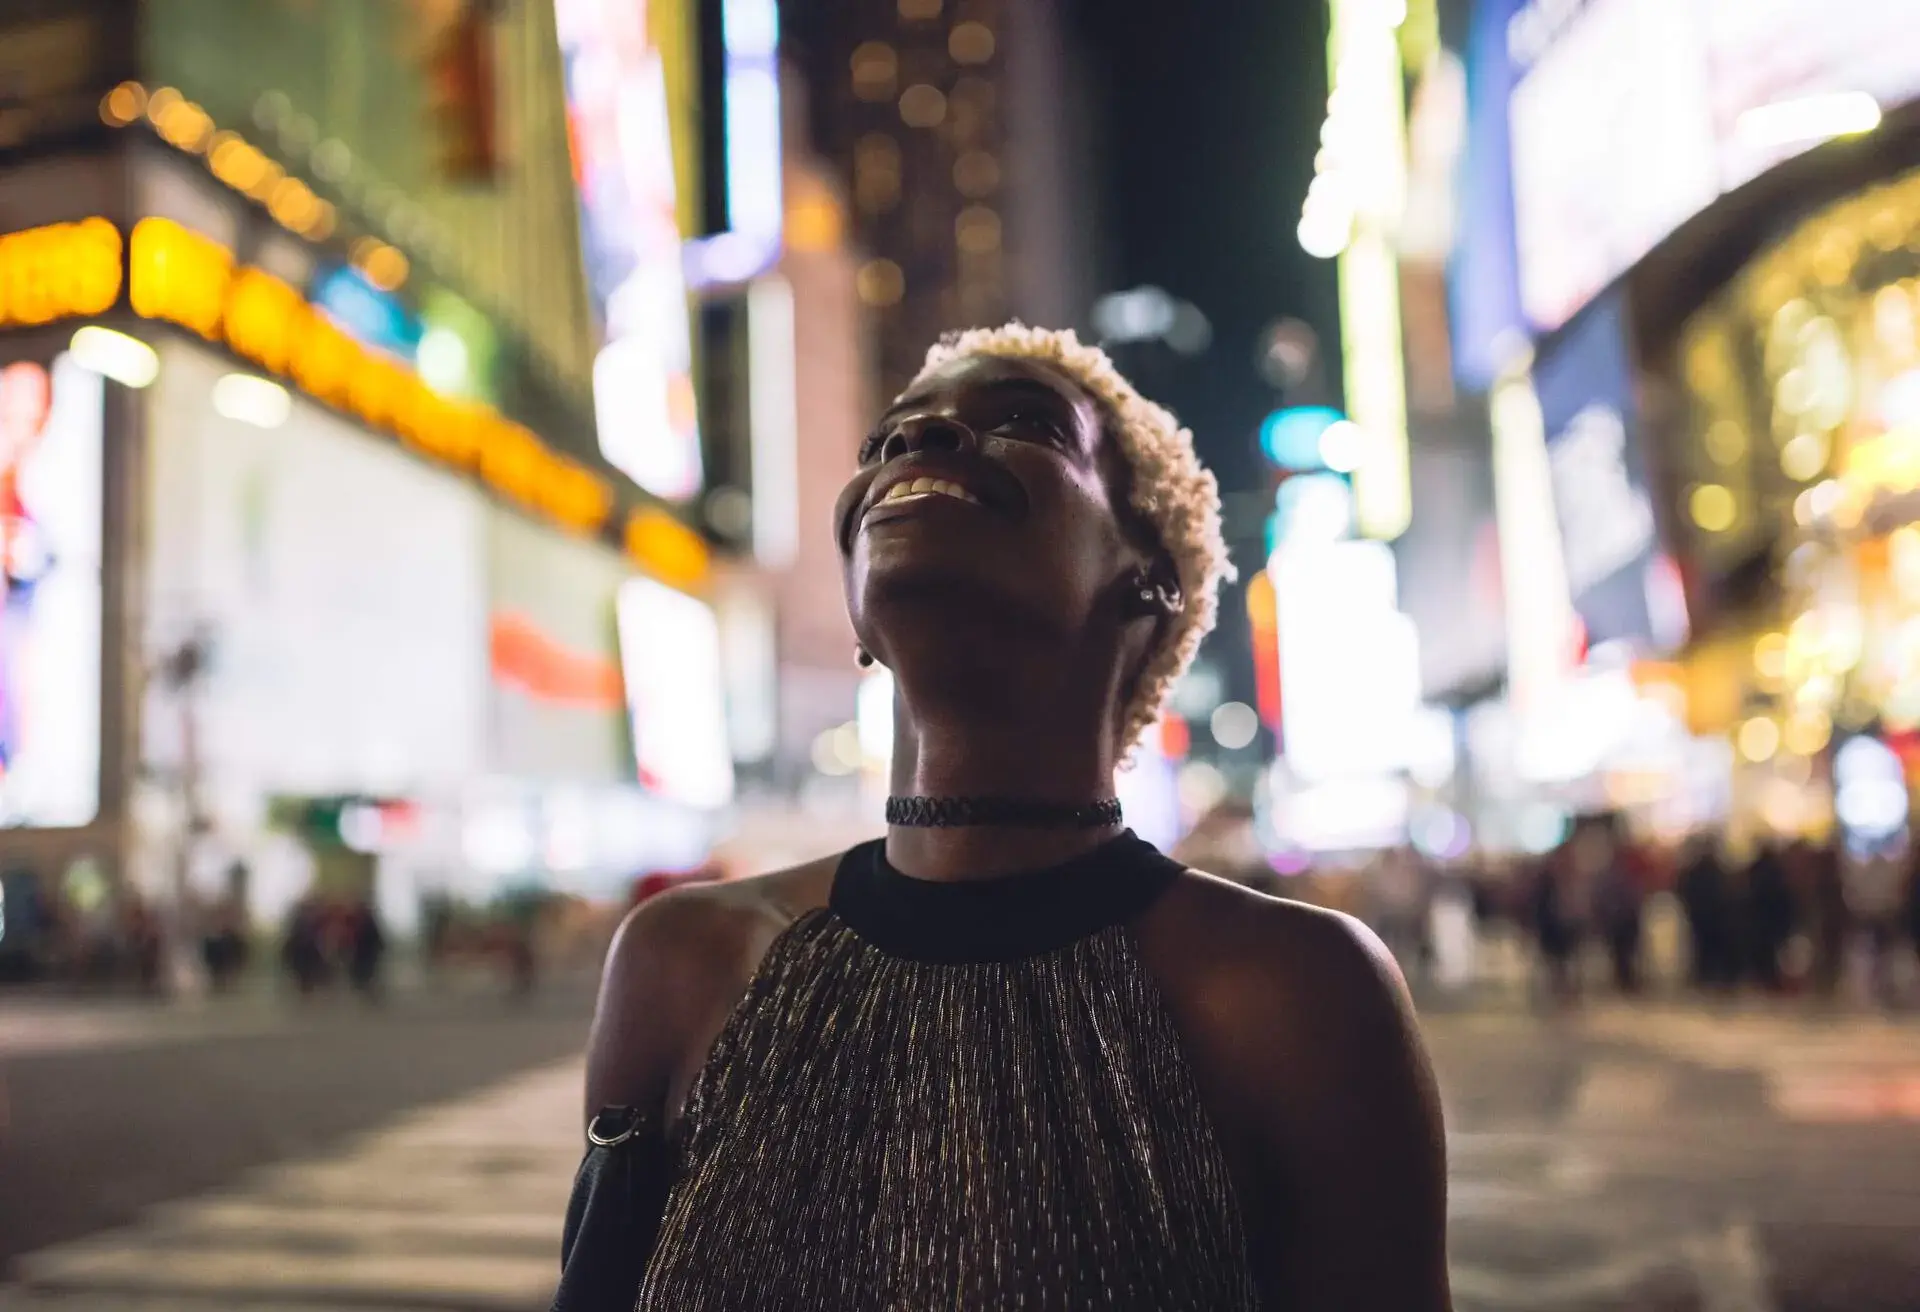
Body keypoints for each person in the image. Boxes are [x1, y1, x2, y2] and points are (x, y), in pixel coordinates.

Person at [557, 327, 1450, 1310]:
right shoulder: (680, 960)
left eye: (1024, 422)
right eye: (883, 442)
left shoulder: (1299, 994)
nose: (919, 438)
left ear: (1148, 576)